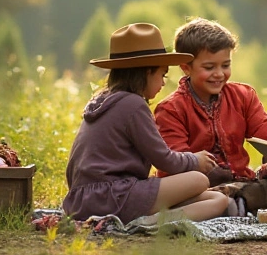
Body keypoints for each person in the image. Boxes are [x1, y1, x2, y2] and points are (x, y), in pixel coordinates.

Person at [61, 23, 230, 224]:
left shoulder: (106, 100)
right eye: (162, 74)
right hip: (113, 196)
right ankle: (145, 223)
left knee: (217, 200)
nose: (163, 82)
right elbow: (164, 159)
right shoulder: (132, 105)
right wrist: (195, 160)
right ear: (146, 72)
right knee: (199, 180)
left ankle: (155, 218)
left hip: (84, 199)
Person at [154, 18, 267, 211]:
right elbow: (175, 162)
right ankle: (236, 204)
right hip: (199, 186)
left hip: (243, 181)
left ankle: (240, 203)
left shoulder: (243, 96)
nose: (219, 74)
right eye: (209, 67)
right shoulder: (171, 109)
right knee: (201, 192)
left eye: (225, 65)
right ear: (186, 67)